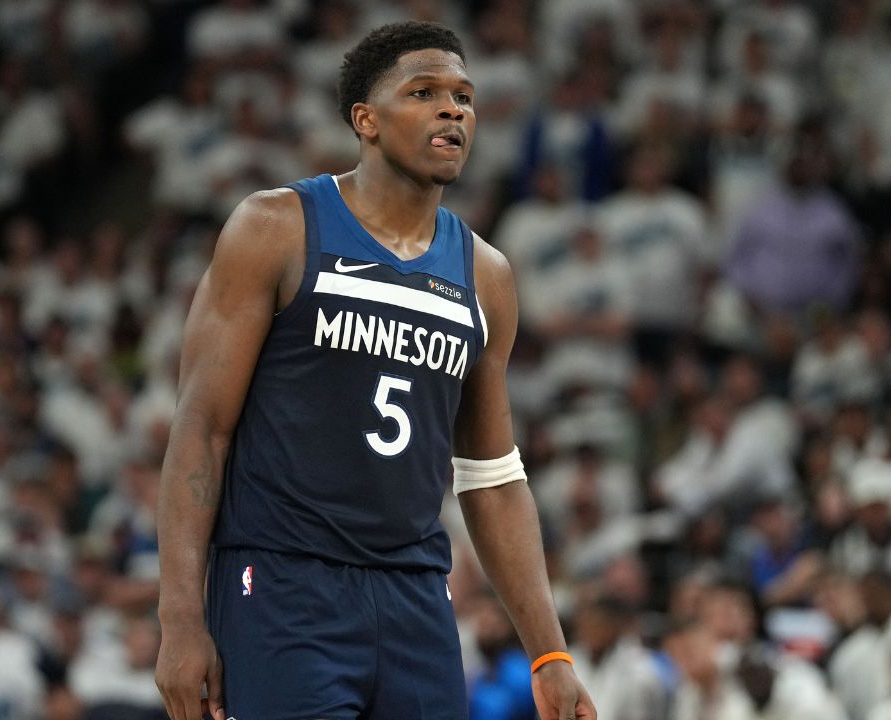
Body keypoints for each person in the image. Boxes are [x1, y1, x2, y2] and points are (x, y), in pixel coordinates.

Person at [153, 21, 595, 720]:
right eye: (424, 92)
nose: (453, 109)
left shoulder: (486, 274)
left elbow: (491, 476)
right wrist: (180, 619)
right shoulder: (276, 227)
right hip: (282, 584)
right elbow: (202, 430)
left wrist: (550, 653)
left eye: (464, 96)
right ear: (366, 121)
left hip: (416, 595)